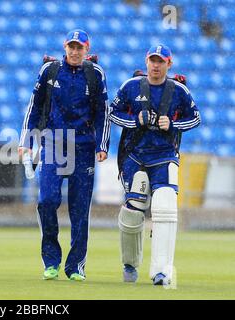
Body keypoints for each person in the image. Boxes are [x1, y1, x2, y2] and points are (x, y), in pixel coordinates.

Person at [19, 29, 110, 281]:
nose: (74, 51)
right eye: (71, 46)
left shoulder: (95, 74)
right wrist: (25, 140)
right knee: (47, 201)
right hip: (54, 144)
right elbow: (34, 106)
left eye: (79, 47)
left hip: (83, 147)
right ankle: (51, 261)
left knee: (80, 209)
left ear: (86, 50)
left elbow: (103, 112)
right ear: (65, 47)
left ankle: (75, 266)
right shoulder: (49, 71)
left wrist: (102, 145)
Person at [109, 44, 201, 285]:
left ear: (169, 64)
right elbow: (112, 113)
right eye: (153, 60)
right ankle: (130, 264)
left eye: (161, 61)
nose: (156, 65)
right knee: (133, 209)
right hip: (136, 155)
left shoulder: (179, 90)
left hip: (164, 155)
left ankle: (161, 271)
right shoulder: (130, 86)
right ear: (146, 61)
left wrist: (171, 124)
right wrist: (135, 119)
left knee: (165, 205)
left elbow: (195, 118)